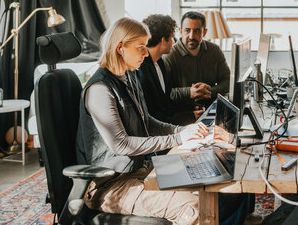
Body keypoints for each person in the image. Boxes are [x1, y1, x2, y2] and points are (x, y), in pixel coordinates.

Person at [76, 18, 252, 224]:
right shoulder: (100, 90)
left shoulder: (129, 77)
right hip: (110, 185)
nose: (146, 52)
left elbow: (148, 122)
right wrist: (178, 139)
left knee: (220, 187)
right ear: (120, 48)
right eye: (141, 47)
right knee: (194, 207)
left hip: (138, 170)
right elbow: (121, 145)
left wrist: (184, 131)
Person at [164, 11, 231, 122]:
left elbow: (227, 81)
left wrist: (209, 92)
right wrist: (189, 92)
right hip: (183, 114)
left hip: (212, 109)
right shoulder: (170, 55)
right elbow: (165, 93)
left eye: (196, 31)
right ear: (180, 31)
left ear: (204, 32)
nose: (191, 36)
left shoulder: (215, 50)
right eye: (187, 30)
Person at [137, 14, 183, 125]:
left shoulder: (159, 62)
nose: (174, 42)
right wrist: (186, 117)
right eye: (172, 37)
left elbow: (166, 101)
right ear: (163, 41)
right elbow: (152, 115)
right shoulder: (141, 71)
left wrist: (192, 110)